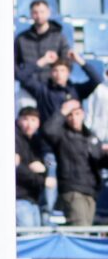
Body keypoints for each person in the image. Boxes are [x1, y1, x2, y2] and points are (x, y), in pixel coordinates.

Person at [41, 99, 108, 227]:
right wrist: (62, 111)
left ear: (83, 114)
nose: (74, 118)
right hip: (72, 190)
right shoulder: (62, 135)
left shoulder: (91, 137)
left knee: (86, 231)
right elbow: (48, 131)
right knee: (80, 229)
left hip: (91, 192)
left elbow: (100, 162)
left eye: (77, 114)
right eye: (69, 115)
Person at [16, 50, 102, 123]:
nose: (59, 74)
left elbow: (97, 79)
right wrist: (44, 60)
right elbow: (21, 76)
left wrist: (79, 61)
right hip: (48, 134)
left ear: (68, 73)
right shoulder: (42, 90)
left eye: (62, 70)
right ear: (50, 73)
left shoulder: (76, 90)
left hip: (71, 135)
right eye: (55, 71)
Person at [14, 0, 72, 82]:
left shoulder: (59, 37)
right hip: (29, 86)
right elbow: (14, 67)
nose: (39, 16)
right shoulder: (21, 39)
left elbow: (67, 64)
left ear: (48, 12)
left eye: (42, 12)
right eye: (35, 12)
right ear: (31, 14)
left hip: (52, 86)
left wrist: (57, 64)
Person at [15, 106, 48, 228]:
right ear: (18, 120)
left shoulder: (36, 141)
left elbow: (44, 165)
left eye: (33, 120)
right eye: (25, 119)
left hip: (33, 199)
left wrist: (44, 168)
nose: (29, 124)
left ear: (38, 123)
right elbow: (16, 168)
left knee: (37, 235)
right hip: (19, 198)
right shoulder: (12, 138)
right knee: (29, 236)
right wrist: (42, 180)